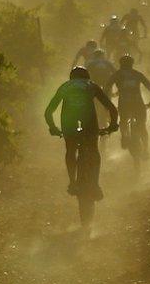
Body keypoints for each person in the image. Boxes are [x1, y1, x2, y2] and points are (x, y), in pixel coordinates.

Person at [44, 66, 118, 199]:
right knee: (94, 150)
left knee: (70, 150)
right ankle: (95, 184)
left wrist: (53, 127)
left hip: (68, 122)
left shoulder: (65, 86)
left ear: (72, 77)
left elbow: (49, 111)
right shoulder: (91, 85)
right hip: (89, 121)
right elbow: (112, 108)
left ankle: (72, 182)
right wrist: (112, 125)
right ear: (86, 77)